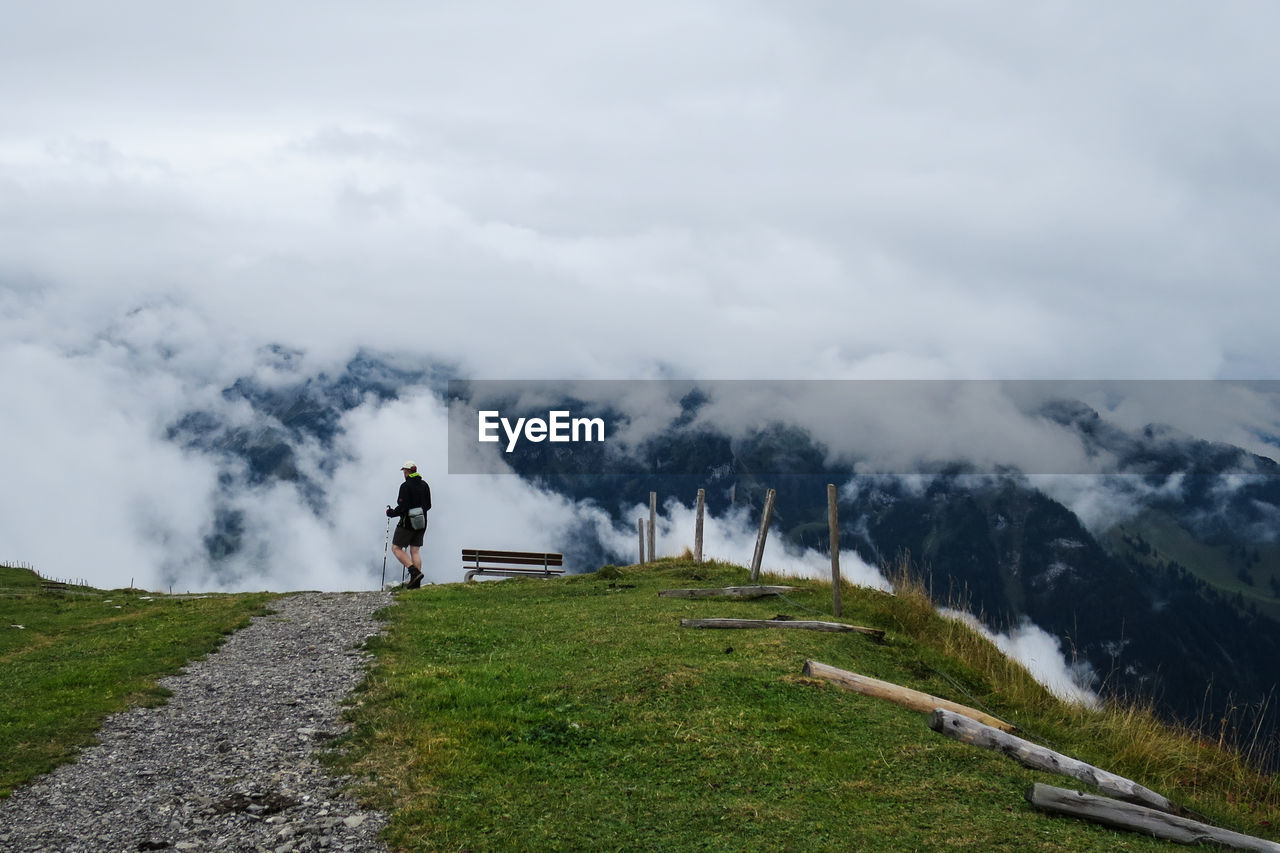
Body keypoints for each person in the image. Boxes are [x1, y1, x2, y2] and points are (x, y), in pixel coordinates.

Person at [386, 460, 431, 589]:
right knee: (415, 551)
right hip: (422, 522)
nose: (403, 473)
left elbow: (403, 507)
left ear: (407, 472)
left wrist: (391, 513)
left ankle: (413, 571)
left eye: (404, 471)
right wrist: (419, 513)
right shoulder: (424, 485)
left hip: (407, 524)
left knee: (396, 548)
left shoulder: (405, 486)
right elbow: (428, 505)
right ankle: (415, 583)